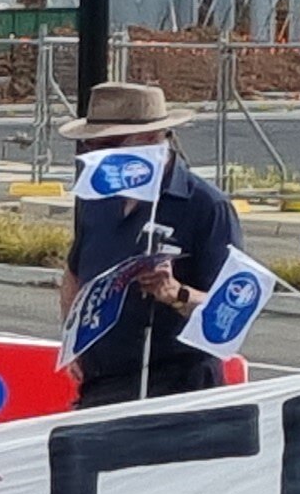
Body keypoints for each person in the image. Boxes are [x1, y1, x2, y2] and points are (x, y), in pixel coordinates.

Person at [59, 81, 241, 406]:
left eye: (109, 144)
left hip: (180, 389)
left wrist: (176, 293)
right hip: (102, 385)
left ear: (151, 140)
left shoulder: (206, 206)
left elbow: (231, 311)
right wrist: (73, 341)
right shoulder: (97, 197)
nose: (97, 156)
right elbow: (75, 274)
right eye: (89, 146)